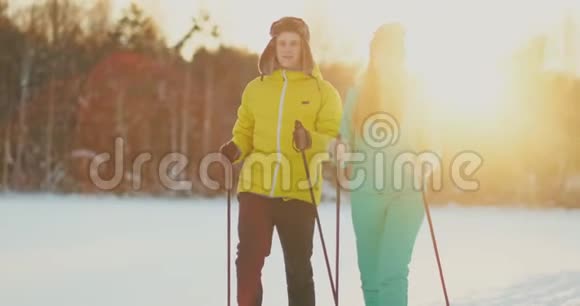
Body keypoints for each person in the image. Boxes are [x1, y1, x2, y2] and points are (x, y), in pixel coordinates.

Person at [219, 16, 343, 306]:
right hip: (255, 188)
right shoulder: (256, 89)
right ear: (273, 46)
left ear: (304, 48)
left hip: (299, 189)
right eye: (281, 43)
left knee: (299, 268)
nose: (287, 49)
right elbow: (245, 131)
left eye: (294, 43)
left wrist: (310, 140)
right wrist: (236, 147)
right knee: (248, 261)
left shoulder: (323, 92)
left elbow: (334, 140)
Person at [339, 23, 436, 306]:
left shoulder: (417, 92)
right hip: (365, 193)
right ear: (373, 56)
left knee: (391, 272)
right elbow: (345, 137)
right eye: (381, 52)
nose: (386, 59)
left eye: (393, 53)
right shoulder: (357, 95)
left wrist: (426, 160)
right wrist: (341, 149)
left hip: (407, 193)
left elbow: (432, 140)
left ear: (402, 56)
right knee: (369, 275)